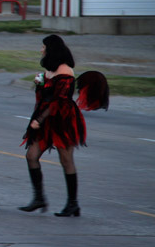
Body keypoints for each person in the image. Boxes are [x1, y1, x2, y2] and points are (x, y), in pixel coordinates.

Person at [19, 34, 106, 217]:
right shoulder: (51, 69)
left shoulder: (65, 71)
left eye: (43, 47)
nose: (41, 49)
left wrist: (39, 120)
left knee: (66, 160)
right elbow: (46, 96)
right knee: (31, 155)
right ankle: (39, 198)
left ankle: (72, 204)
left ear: (51, 49)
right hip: (46, 117)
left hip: (62, 120)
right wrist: (40, 83)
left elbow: (59, 101)